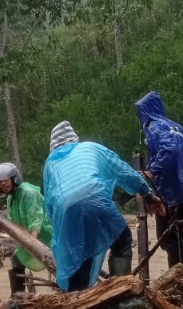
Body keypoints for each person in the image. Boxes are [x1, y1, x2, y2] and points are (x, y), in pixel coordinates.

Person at [43, 121, 165, 292]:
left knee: (79, 252)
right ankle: (121, 294)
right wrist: (148, 194)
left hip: (66, 213)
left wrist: (59, 235)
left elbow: (49, 202)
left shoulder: (50, 164)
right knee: (121, 240)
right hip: (96, 200)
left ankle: (77, 301)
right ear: (74, 139)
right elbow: (122, 170)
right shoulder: (90, 148)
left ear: (53, 146)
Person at [135, 91, 183, 285]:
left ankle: (181, 280)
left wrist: (152, 171)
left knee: (168, 238)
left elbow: (168, 149)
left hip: (169, 191)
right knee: (176, 236)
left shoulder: (155, 127)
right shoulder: (176, 126)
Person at [0, 162, 54, 295]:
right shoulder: (10, 198)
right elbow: (14, 225)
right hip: (30, 239)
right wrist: (0, 227)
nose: (3, 184)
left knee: (57, 265)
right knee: (16, 259)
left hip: (49, 237)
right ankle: (17, 297)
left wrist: (33, 244)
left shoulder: (29, 193)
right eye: (0, 183)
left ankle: (70, 291)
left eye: (5, 181)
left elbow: (36, 220)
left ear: (13, 179)